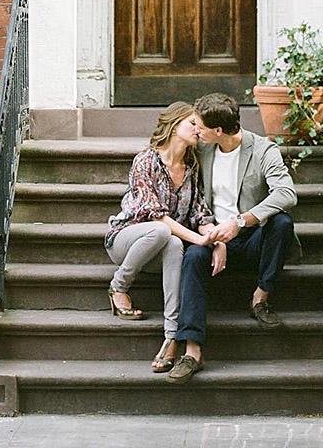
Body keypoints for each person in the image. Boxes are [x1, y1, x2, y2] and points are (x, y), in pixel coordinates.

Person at [166, 92, 297, 384]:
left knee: (282, 223)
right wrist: (216, 237)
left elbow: (286, 194)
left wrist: (241, 221)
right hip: (212, 237)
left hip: (252, 239)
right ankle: (192, 351)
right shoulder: (202, 150)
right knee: (193, 256)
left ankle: (260, 298)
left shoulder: (263, 150)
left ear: (219, 131)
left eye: (200, 126)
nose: (196, 130)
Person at [104, 101, 225, 373]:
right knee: (163, 231)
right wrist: (198, 240)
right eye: (192, 123)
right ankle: (119, 286)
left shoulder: (192, 167)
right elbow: (156, 216)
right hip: (127, 240)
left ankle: (171, 336)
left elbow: (199, 213)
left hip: (162, 247)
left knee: (173, 243)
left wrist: (216, 239)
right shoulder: (145, 161)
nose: (198, 129)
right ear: (173, 126)